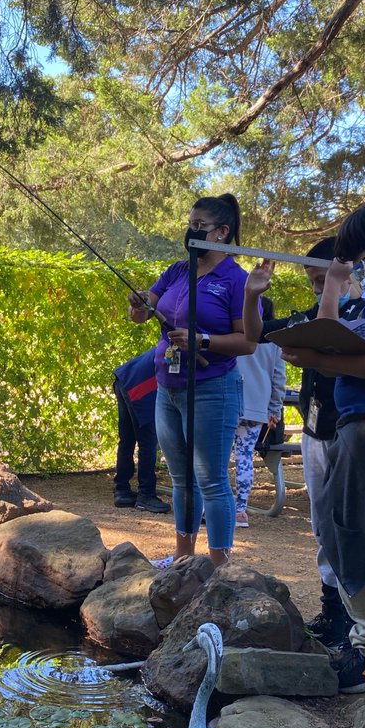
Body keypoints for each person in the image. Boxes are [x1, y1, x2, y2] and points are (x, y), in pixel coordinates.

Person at [248, 202, 365, 693]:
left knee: (351, 530)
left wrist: (323, 362)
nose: (355, 272)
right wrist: (329, 300)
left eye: (356, 261)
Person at [127, 194, 256, 568]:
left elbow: (247, 342)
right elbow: (142, 312)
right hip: (167, 387)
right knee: (181, 478)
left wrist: (202, 340)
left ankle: (220, 568)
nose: (191, 231)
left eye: (199, 226)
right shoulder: (177, 271)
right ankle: (184, 560)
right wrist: (137, 305)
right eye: (190, 223)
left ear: (222, 232)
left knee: (212, 481)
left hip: (212, 388)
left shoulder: (236, 280)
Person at [244, 237, 359, 648]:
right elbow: (257, 334)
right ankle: (333, 609)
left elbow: (330, 332)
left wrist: (333, 287)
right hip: (314, 431)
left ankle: (355, 617)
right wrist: (252, 295)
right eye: (313, 282)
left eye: (322, 280)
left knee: (348, 528)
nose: (318, 288)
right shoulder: (310, 315)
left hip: (349, 433)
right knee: (322, 525)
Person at [231, 296, 286, 528]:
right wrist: (275, 408)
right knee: (245, 458)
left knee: (218, 458)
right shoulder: (274, 343)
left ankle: (212, 507)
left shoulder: (234, 334)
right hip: (257, 406)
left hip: (229, 401)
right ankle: (240, 510)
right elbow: (278, 377)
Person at [112, 347, 170, 513]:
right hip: (141, 386)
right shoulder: (190, 342)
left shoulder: (176, 336)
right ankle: (146, 495)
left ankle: (121, 490)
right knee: (148, 443)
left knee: (127, 440)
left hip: (125, 379)